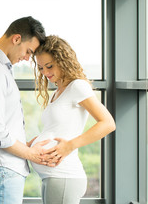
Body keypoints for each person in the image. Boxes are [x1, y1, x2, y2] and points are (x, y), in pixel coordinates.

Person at [0, 16, 51, 204]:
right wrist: (31, 154)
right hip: (3, 169)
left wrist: (26, 144)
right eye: (28, 51)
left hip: (2, 169)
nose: (26, 58)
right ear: (16, 39)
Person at [30, 35, 116, 204]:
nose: (45, 73)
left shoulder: (77, 86)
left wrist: (70, 145)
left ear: (62, 60)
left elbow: (108, 123)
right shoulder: (59, 90)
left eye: (49, 66)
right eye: (40, 68)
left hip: (64, 175)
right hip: (53, 176)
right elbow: (55, 129)